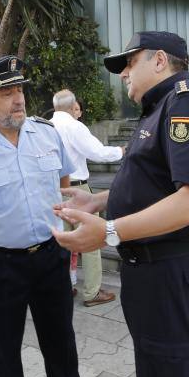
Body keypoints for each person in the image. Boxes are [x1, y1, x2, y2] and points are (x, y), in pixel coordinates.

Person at [53, 31, 189, 377]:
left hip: (170, 268)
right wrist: (99, 201)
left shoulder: (185, 105)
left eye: (131, 62)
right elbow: (154, 183)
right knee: (156, 375)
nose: (124, 73)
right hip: (153, 270)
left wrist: (110, 231)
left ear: (159, 60)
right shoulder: (160, 107)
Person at [0, 56, 83, 377]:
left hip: (50, 256)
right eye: (6, 92)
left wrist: (66, 229)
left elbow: (63, 183)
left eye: (19, 90)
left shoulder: (46, 134)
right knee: (5, 355)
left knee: (62, 348)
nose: (18, 99)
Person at [50, 89, 121, 307]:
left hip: (52, 191)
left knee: (60, 242)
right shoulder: (74, 126)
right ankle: (92, 292)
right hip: (78, 190)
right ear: (73, 108)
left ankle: (63, 287)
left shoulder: (43, 126)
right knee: (91, 240)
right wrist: (121, 151)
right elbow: (97, 152)